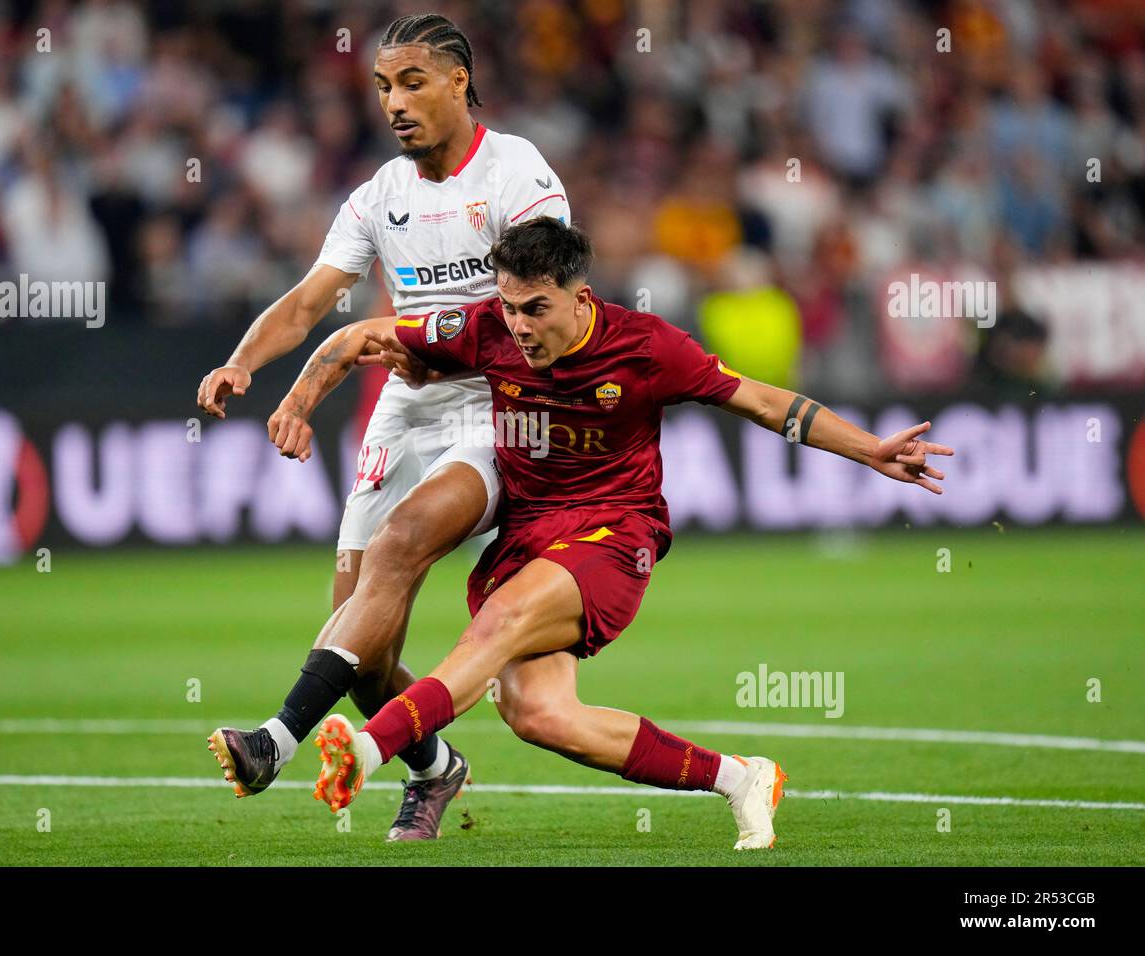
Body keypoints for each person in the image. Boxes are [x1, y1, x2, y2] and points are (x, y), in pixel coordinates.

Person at [287, 216, 952, 849]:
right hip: (527, 536)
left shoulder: (647, 346)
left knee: (499, 625)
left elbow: (763, 400)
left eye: (536, 309)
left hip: (613, 531)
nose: (519, 326)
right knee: (539, 715)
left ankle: (368, 750)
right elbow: (362, 337)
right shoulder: (486, 327)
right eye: (511, 307)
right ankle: (742, 778)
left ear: (581, 298)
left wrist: (869, 450)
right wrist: (302, 400)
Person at [197, 13, 570, 841]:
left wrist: (433, 345)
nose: (393, 103)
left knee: (402, 541)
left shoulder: (518, 173)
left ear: (459, 82)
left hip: (497, 402)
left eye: (410, 82)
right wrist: (242, 363)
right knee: (360, 652)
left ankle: (277, 739)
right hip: (409, 407)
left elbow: (539, 306)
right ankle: (436, 769)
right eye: (381, 88)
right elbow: (307, 302)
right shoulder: (379, 197)